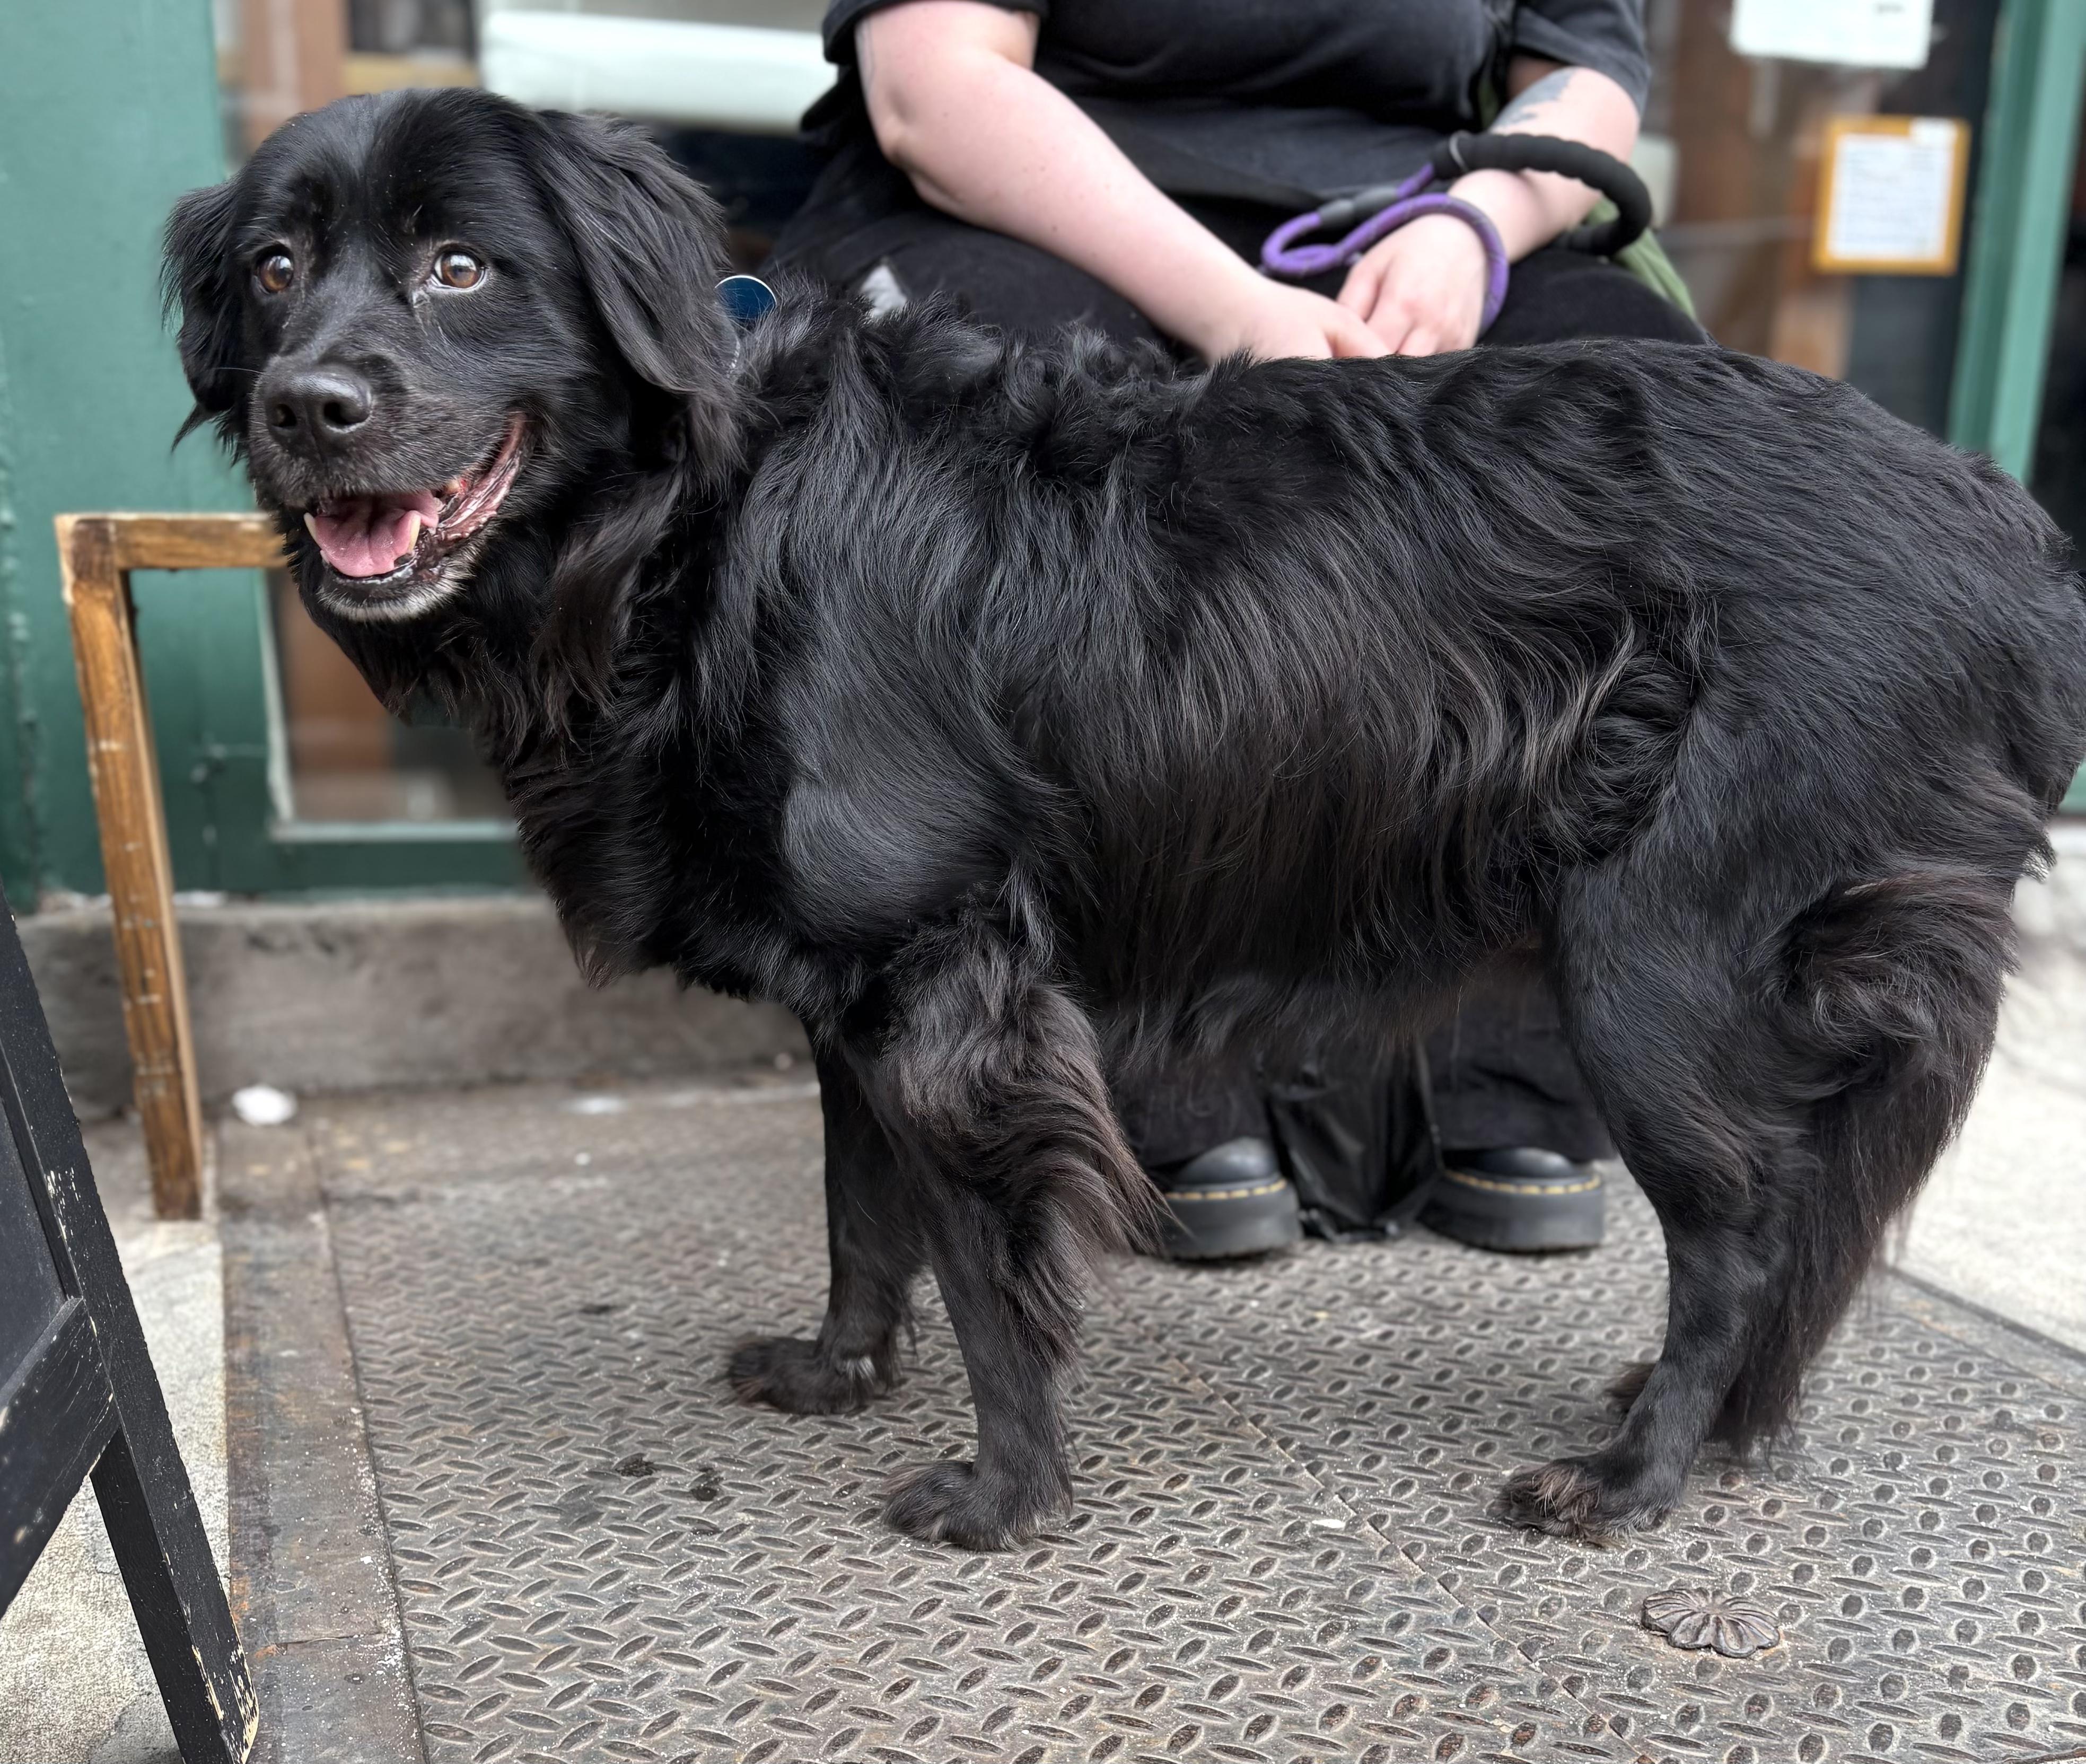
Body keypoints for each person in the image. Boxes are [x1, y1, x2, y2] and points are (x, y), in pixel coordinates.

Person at [768, 0, 1707, 1259]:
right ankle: (1143, 1083)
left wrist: (1468, 222)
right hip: (1033, 207)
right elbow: (930, 92)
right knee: (1052, 437)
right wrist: (1234, 309)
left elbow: (1580, 81)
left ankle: (1516, 1072)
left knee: (1636, 413)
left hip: (1402, 217)